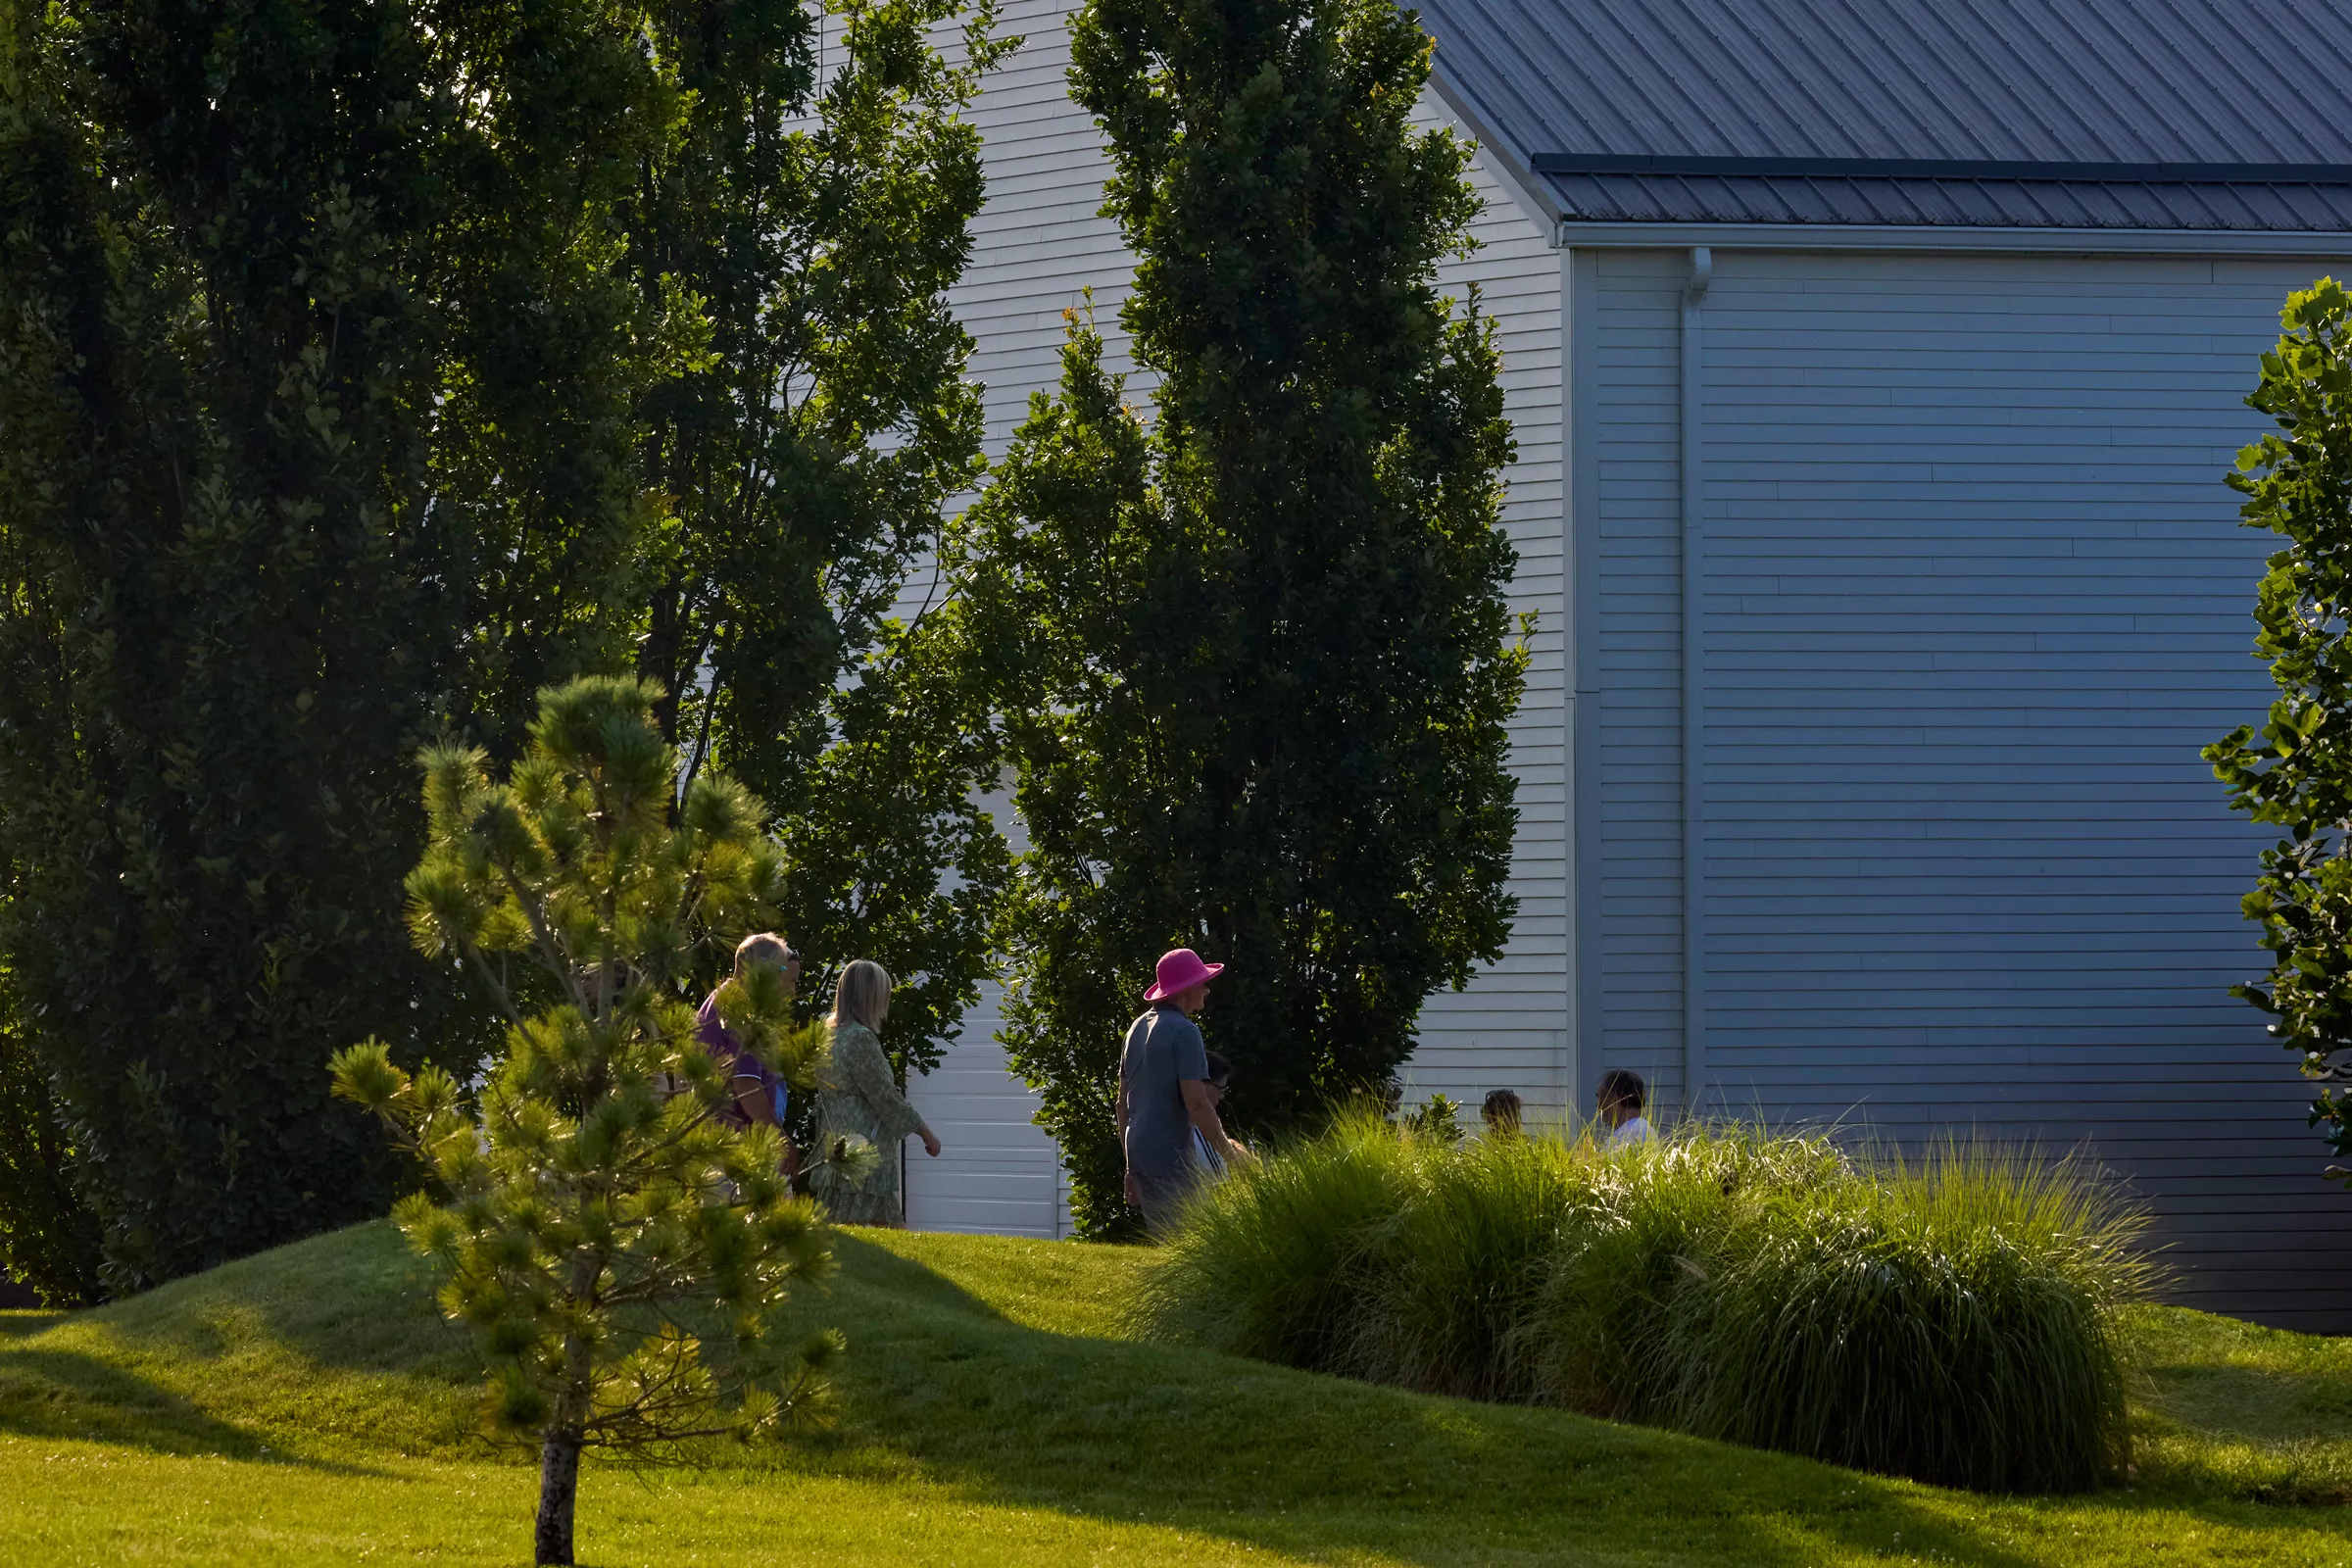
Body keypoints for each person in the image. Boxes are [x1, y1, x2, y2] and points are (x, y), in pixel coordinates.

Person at [1118, 948, 1251, 1234]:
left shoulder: (1135, 1029)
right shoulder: (1184, 1031)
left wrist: (1130, 1168)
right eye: (1203, 982)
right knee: (1190, 1241)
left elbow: (1123, 1104)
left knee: (1163, 1235)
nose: (1206, 989)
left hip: (1139, 1151)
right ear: (1187, 988)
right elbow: (1197, 1103)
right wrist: (1229, 1154)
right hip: (1170, 1152)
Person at [814, 959, 940, 1227]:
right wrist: (925, 1133)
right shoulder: (860, 1037)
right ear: (870, 997)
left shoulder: (827, 1033)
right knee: (861, 1228)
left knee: (860, 1224)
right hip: (865, 1145)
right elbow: (885, 1096)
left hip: (836, 1138)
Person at [698, 933, 799, 1129]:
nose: (781, 980)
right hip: (732, 1142)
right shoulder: (741, 1009)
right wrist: (779, 1139)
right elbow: (746, 1084)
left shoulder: (721, 998)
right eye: (780, 970)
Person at [1191, 1052, 1239, 1179]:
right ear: (1202, 1084)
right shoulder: (1196, 1128)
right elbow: (1222, 1182)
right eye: (1221, 1089)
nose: (1222, 1096)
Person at [1597, 1068, 1655, 1150]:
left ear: (1614, 1099)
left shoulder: (1629, 1133)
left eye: (1602, 1098)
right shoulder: (1644, 1128)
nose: (1598, 1105)